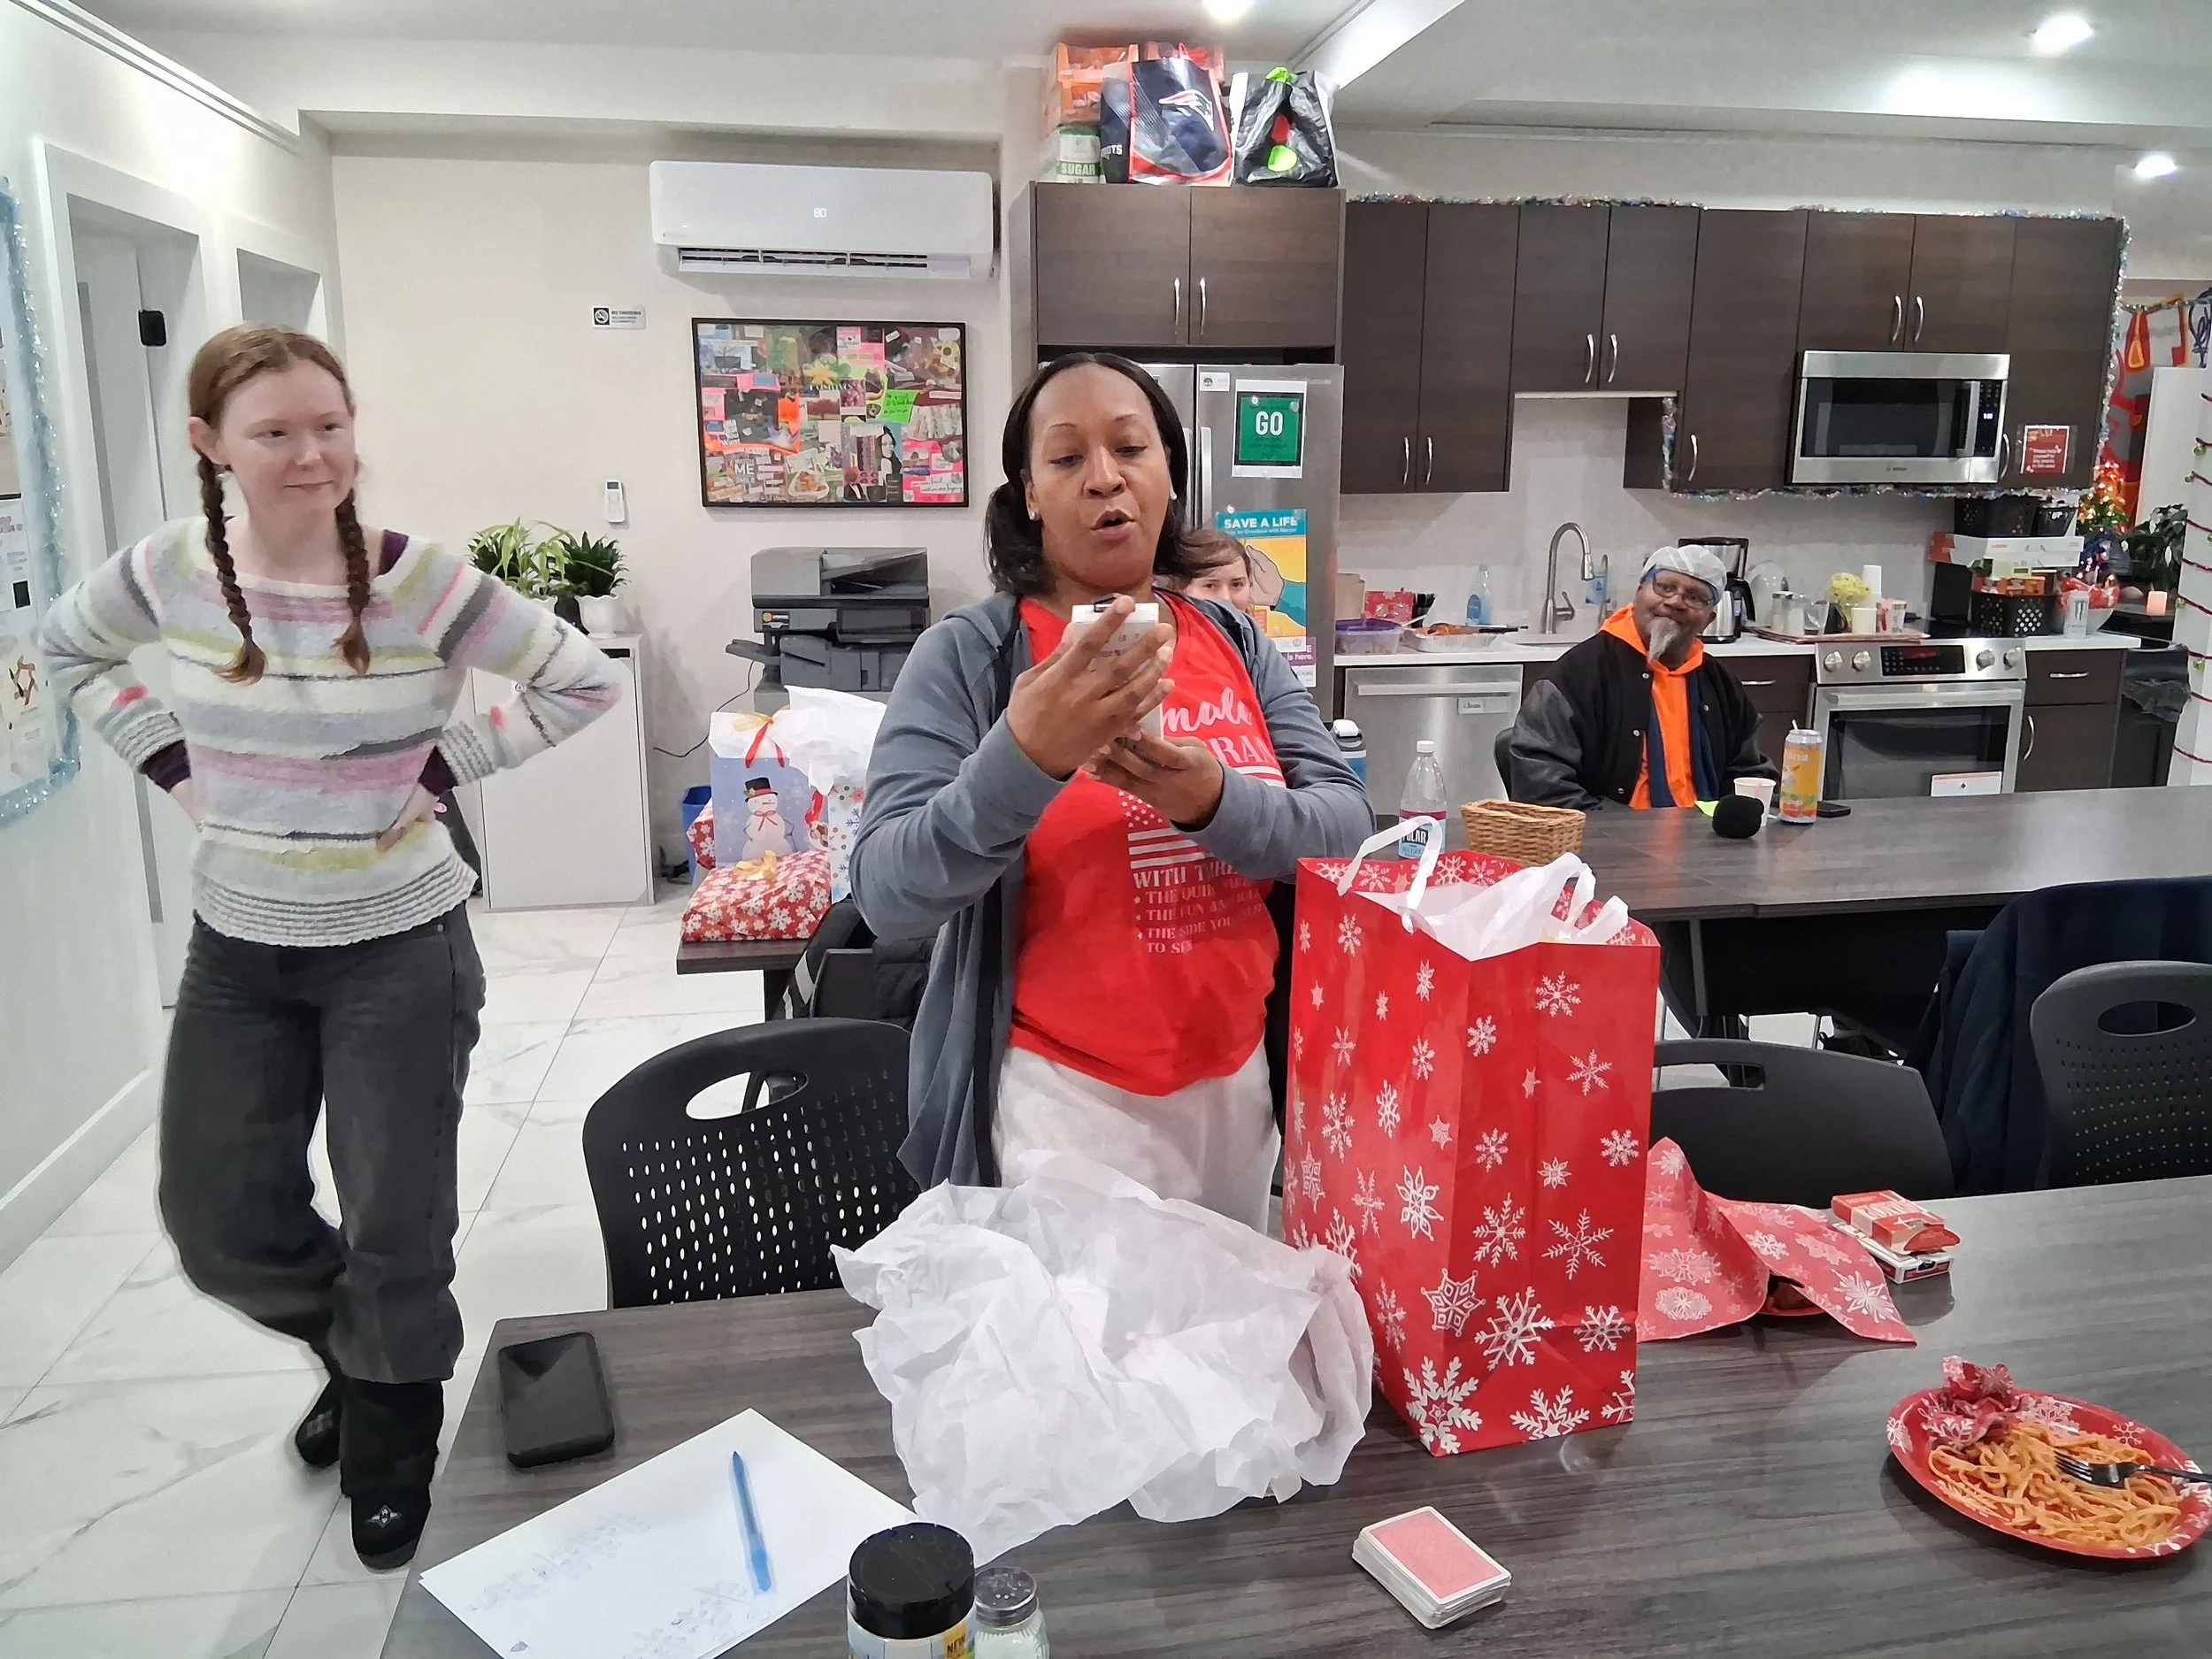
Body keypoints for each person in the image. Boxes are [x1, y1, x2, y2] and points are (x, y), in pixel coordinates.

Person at [40, 324, 620, 1570]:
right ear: (210, 445)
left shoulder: (421, 582)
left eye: (331, 426)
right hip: (236, 949)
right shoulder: (167, 571)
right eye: (275, 433)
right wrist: (174, 763)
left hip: (397, 948)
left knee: (397, 1220)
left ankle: (392, 1439)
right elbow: (68, 647)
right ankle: (357, 1361)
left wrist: (443, 768)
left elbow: (582, 681)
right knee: (218, 1218)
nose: (312, 455)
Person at [849, 352, 1370, 1227]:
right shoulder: (972, 657)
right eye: (1066, 458)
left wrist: (1212, 802)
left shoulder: (1236, 639)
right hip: (1062, 1106)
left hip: (1239, 1091)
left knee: (1219, 1313)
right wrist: (1025, 756)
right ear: (1029, 494)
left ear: (1169, 473)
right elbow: (887, 891)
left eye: (1130, 448)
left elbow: (1345, 830)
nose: (1104, 478)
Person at [1506, 544, 1777, 810]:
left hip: (1706, 834)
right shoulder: (1578, 676)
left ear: (1709, 619)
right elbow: (1542, 787)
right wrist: (1620, 829)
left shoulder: (1720, 685)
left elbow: (1750, 773)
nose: (1675, 602)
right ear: (1638, 593)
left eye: (1695, 597)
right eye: (1665, 587)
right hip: (1608, 834)